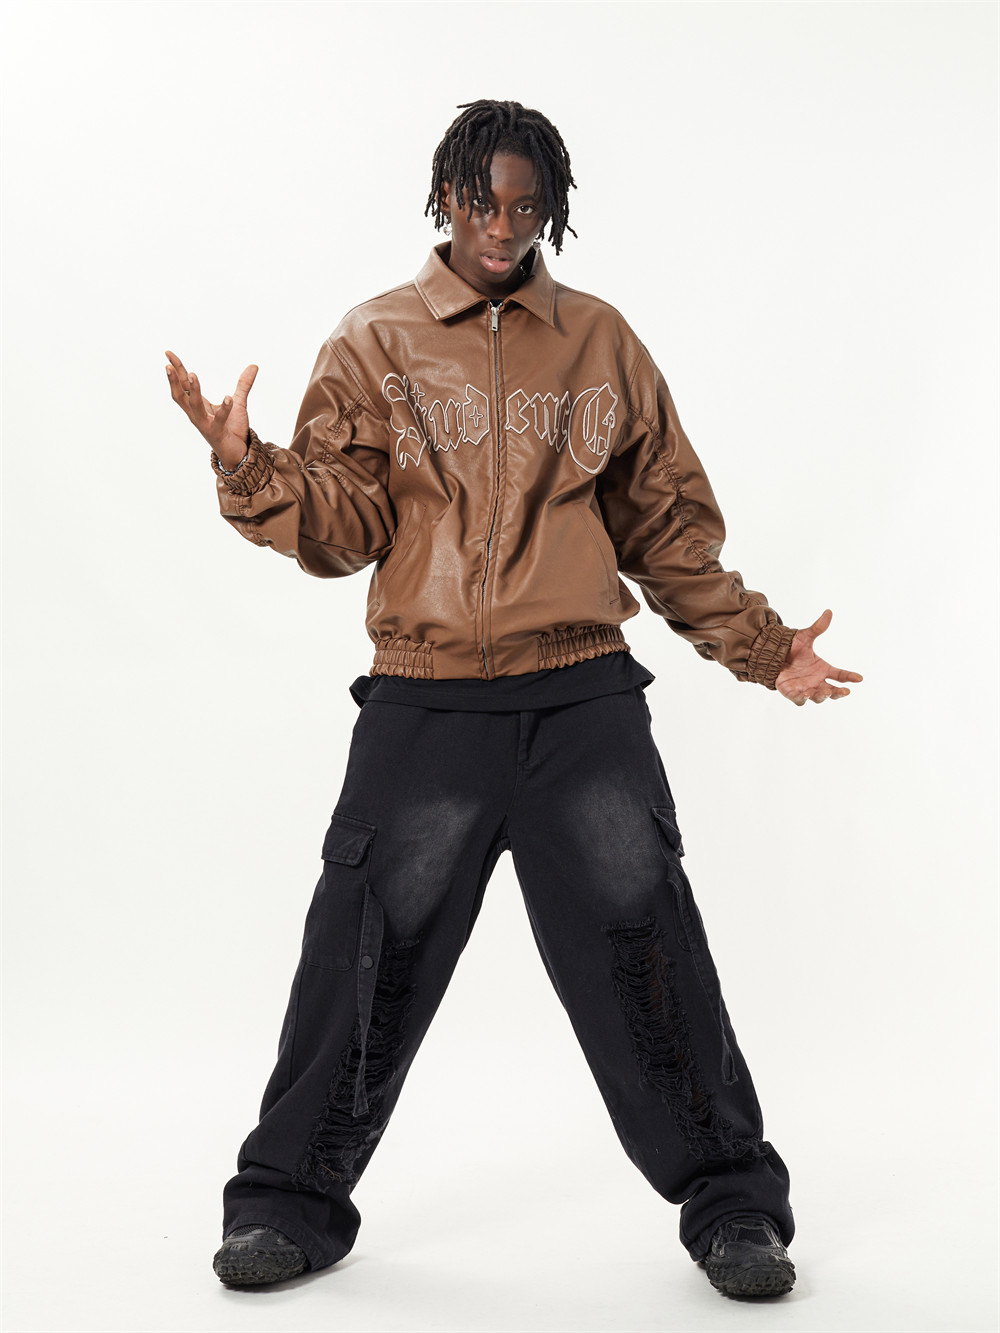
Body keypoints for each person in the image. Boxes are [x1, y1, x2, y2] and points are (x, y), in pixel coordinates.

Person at [165, 99, 861, 1301]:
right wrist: (249, 464)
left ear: (553, 212)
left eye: (526, 206)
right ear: (445, 198)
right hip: (424, 701)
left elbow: (663, 528)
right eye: (481, 202)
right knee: (360, 952)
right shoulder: (376, 339)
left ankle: (734, 1207)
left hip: (582, 699)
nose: (502, 226)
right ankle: (286, 1206)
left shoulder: (599, 342)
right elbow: (347, 525)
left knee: (647, 946)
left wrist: (761, 646)